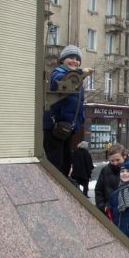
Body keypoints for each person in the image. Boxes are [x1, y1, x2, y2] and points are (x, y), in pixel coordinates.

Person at [42, 45, 92, 177]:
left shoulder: (75, 78)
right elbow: (61, 81)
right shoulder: (58, 73)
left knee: (65, 163)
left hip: (67, 128)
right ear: (62, 60)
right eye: (71, 58)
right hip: (55, 128)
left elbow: (79, 104)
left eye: (77, 59)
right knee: (55, 165)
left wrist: (79, 122)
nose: (74, 61)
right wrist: (81, 73)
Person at [95, 144, 129, 214]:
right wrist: (103, 207)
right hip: (110, 213)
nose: (115, 163)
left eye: (117, 160)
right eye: (112, 161)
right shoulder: (105, 170)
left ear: (124, 156)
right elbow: (99, 190)